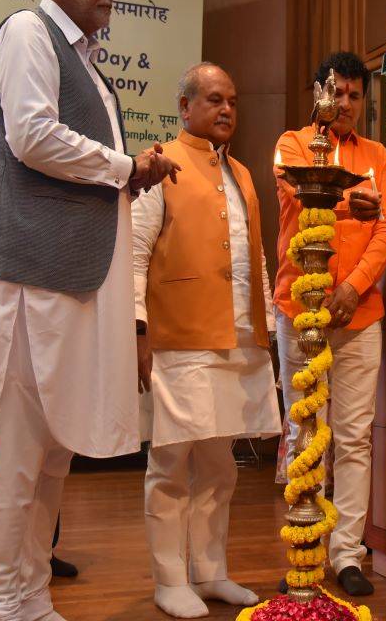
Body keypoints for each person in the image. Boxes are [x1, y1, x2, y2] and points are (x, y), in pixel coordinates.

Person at [0, 0, 180, 621]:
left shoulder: (84, 57)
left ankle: (29, 594)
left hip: (69, 278)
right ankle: (0, 600)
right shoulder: (27, 30)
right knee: (22, 453)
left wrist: (129, 175)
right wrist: (125, 168)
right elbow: (31, 132)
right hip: (31, 274)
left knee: (51, 453)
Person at [132, 62, 279, 618]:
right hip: (179, 339)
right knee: (171, 465)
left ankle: (210, 571)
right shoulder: (161, 163)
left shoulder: (241, 173)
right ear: (185, 108)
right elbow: (135, 251)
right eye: (214, 100)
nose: (226, 111)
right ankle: (169, 579)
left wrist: (262, 330)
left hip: (238, 339)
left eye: (233, 101)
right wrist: (137, 329)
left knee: (221, 467)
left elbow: (255, 260)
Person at [273, 51, 386, 596]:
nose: (344, 104)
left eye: (354, 95)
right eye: (336, 93)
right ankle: (306, 550)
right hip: (299, 309)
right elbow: (301, 195)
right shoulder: (292, 143)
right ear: (318, 95)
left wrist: (353, 286)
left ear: (364, 101)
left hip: (360, 312)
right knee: (306, 434)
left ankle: (348, 554)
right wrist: (356, 201)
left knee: (352, 438)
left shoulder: (378, 155)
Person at [0, 138, 78, 580]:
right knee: (9, 442)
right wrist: (33, 225)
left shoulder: (60, 163)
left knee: (49, 439)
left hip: (56, 310)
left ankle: (42, 550)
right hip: (4, 309)